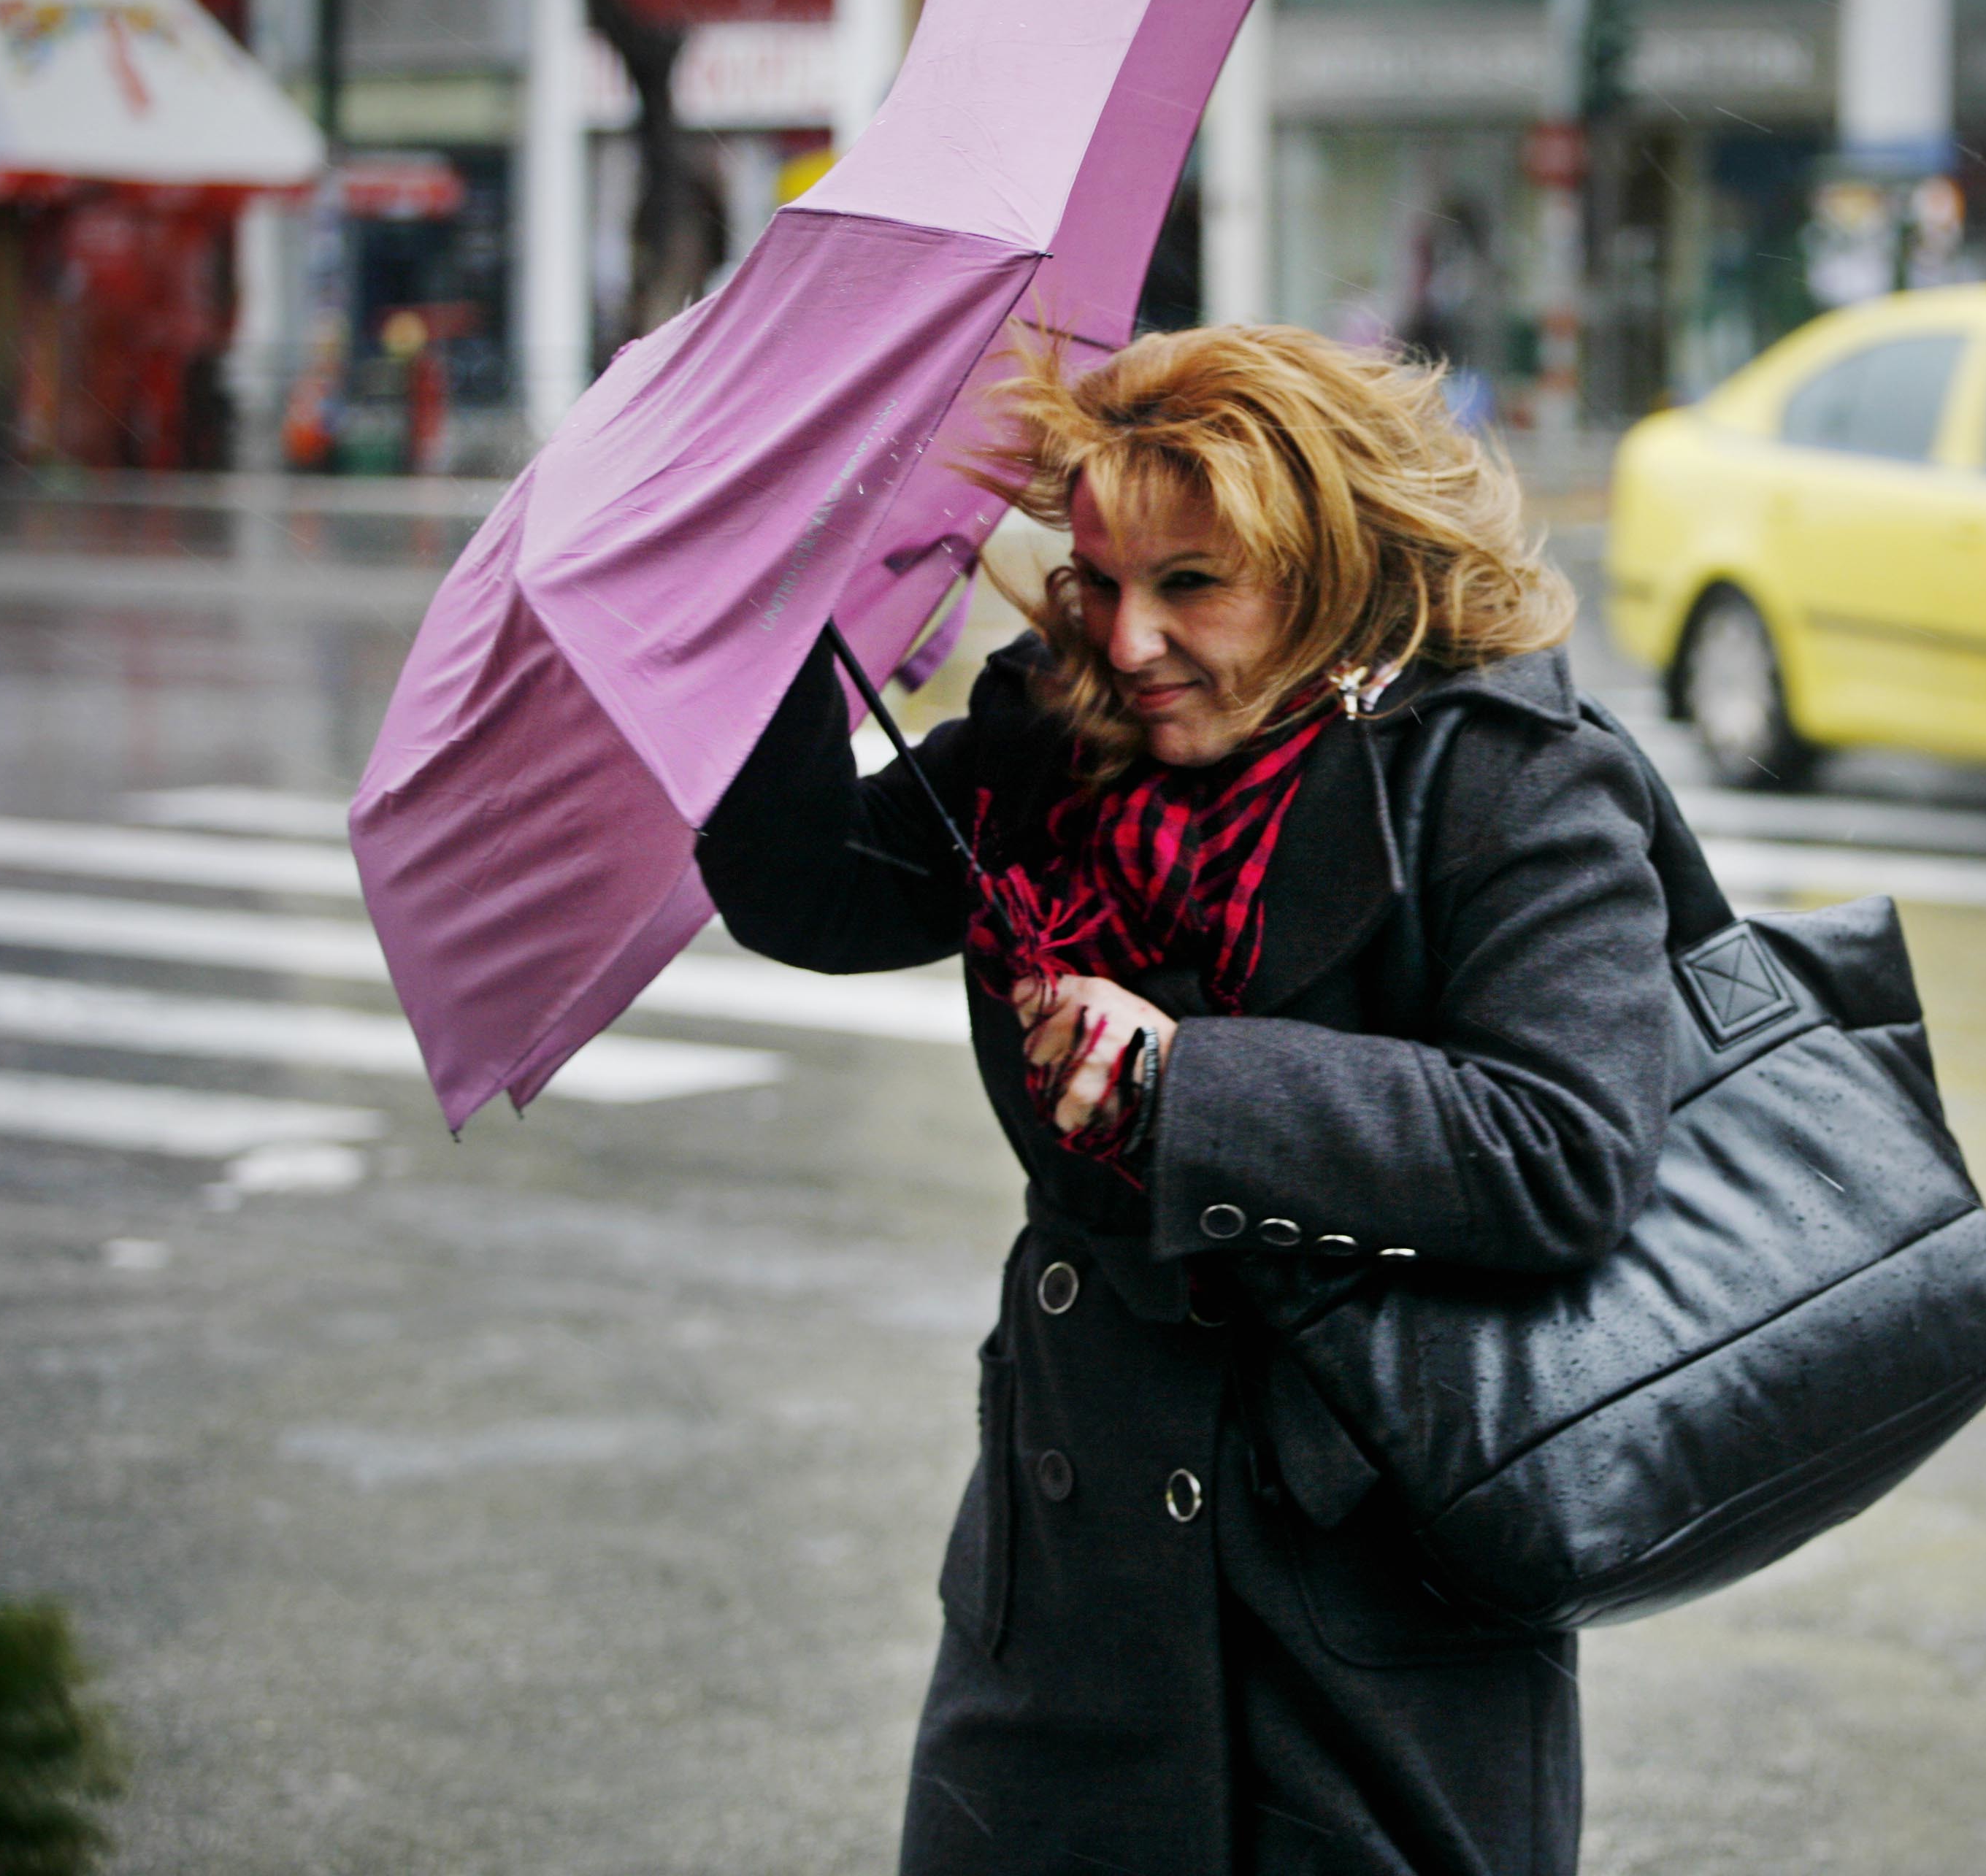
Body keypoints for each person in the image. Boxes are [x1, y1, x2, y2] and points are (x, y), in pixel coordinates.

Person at [694, 324, 1673, 1876]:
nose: (1128, 637)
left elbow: (1564, 1146)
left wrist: (1183, 1078)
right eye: (1097, 577)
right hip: (1068, 1587)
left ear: (1334, 563)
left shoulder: (1501, 777)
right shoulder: (1058, 734)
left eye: (1192, 584)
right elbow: (816, 891)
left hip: (1364, 1608)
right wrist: (771, 605)